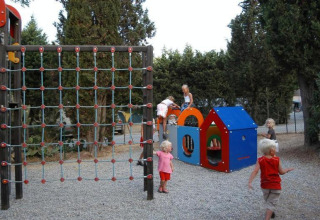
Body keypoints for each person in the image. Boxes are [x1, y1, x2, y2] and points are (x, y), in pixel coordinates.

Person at [248, 139, 294, 220]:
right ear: (271, 150)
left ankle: (270, 211)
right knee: (271, 203)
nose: (276, 149)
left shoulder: (260, 160)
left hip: (265, 186)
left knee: (268, 201)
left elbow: (255, 171)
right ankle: (267, 217)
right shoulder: (277, 159)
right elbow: (281, 172)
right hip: (275, 186)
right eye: (274, 148)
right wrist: (287, 170)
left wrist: (250, 182)